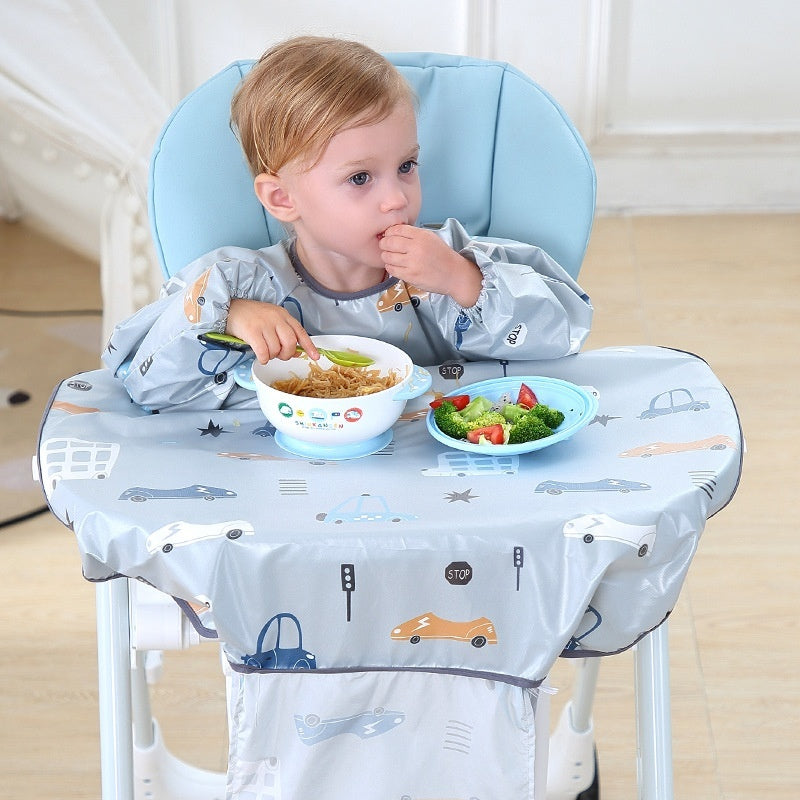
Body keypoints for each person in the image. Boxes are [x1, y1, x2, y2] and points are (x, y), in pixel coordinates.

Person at [103, 36, 593, 411]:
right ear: (281, 198)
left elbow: (566, 332)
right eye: (360, 178)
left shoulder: (446, 263)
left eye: (406, 166)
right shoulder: (237, 286)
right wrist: (229, 317)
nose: (397, 198)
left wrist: (462, 281)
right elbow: (143, 384)